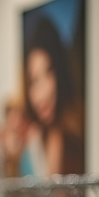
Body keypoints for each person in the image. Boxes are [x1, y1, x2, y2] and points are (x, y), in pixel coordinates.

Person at [21, 15, 85, 176]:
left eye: (48, 72)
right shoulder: (33, 141)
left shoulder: (76, 134)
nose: (41, 94)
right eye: (33, 81)